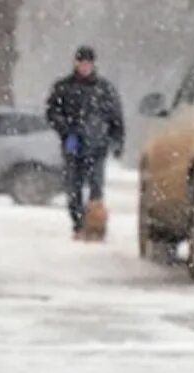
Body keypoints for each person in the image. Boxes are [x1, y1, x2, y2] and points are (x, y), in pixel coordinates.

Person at [45, 46, 125, 238]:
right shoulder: (63, 87)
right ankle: (79, 224)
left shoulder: (104, 89)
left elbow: (115, 117)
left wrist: (117, 141)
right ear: (76, 63)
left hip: (98, 145)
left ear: (93, 64)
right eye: (82, 63)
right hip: (73, 145)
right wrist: (66, 130)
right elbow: (52, 113)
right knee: (73, 187)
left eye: (88, 63)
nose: (85, 67)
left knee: (96, 187)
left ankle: (95, 225)